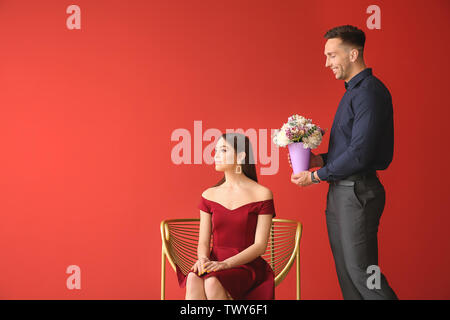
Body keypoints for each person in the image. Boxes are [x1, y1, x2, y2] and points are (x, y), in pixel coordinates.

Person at [289, 25, 398, 300]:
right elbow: (349, 148)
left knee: (363, 274)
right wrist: (317, 160)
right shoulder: (352, 92)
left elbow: (361, 153)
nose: (327, 63)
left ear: (353, 54)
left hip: (357, 193)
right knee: (348, 276)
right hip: (342, 191)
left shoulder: (368, 94)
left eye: (332, 56)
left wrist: (316, 176)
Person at [177, 133, 276, 300]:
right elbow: (203, 242)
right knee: (194, 278)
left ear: (241, 156)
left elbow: (260, 246)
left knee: (212, 281)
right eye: (215, 150)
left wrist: (226, 264)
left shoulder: (262, 194)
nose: (215, 155)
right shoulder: (209, 194)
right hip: (214, 261)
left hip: (246, 265)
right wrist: (202, 259)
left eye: (223, 150)